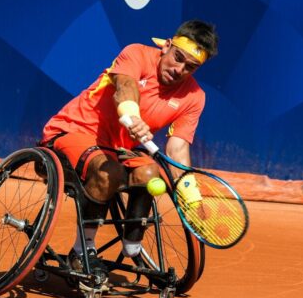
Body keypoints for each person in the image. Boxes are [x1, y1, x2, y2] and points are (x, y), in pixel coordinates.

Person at [41, 20, 219, 269]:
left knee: (150, 172)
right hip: (76, 130)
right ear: (167, 45)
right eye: (177, 57)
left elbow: (177, 149)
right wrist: (132, 116)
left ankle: (132, 245)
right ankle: (82, 251)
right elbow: (124, 87)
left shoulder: (194, 97)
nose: (179, 69)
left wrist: (192, 201)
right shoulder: (136, 53)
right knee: (109, 172)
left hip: (118, 148)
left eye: (190, 67)